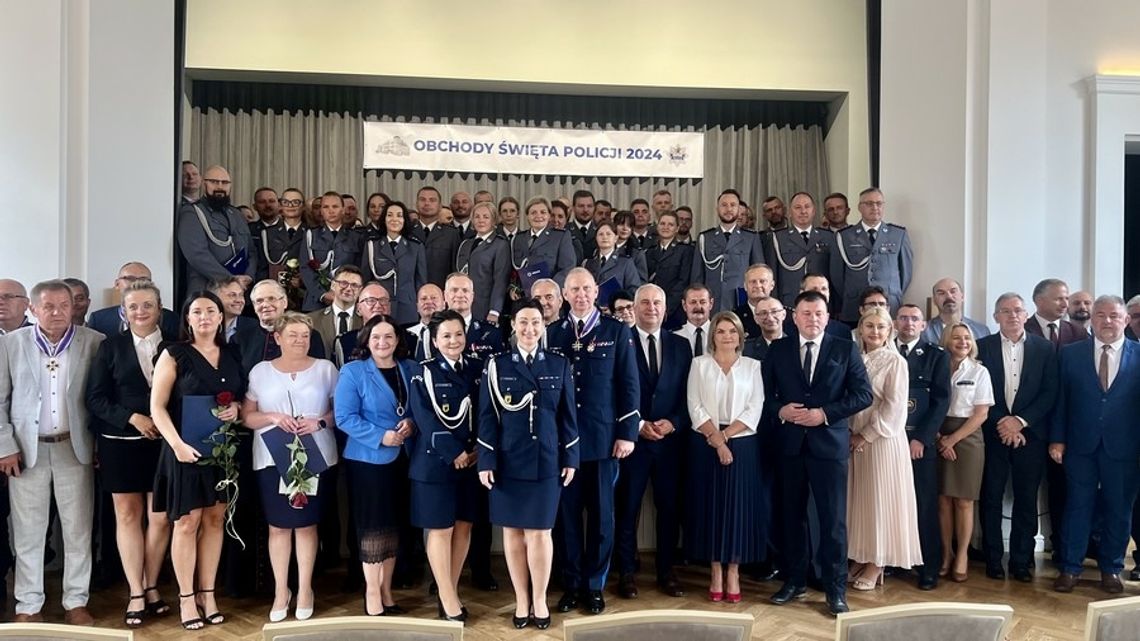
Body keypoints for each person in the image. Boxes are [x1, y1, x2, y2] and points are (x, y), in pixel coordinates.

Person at [0, 280, 104, 625]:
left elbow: (100, 398)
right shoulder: (10, 345)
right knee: (28, 532)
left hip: (74, 450)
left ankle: (76, 601)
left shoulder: (94, 343)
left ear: (74, 307)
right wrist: (5, 446)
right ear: (33, 309)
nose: (58, 312)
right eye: (49, 306)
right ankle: (28, 605)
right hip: (26, 452)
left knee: (77, 531)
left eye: (64, 305)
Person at [763, 290, 872, 616]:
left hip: (829, 446)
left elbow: (863, 395)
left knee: (833, 522)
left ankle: (835, 590)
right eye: (806, 313)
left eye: (818, 314)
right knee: (791, 517)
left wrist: (824, 413)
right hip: (791, 446)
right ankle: (795, 581)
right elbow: (765, 397)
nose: (812, 319)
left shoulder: (845, 348)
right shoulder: (779, 349)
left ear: (828, 317)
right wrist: (782, 411)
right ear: (794, 317)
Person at [477, 299, 577, 629]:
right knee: (513, 533)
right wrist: (486, 459)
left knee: (540, 532)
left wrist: (571, 457)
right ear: (513, 326)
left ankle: (539, 599)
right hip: (507, 460)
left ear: (543, 325)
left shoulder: (559, 364)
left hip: (547, 459)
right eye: (523, 322)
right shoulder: (497, 365)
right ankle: (521, 600)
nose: (529, 328)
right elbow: (488, 417)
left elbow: (568, 418)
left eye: (535, 322)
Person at [547, 268, 640, 616]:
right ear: (564, 294)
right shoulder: (553, 333)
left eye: (587, 288)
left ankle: (594, 585)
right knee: (568, 519)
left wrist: (627, 434)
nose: (581, 294)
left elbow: (629, 385)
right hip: (564, 445)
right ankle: (571, 584)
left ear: (596, 291)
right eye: (574, 289)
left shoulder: (617, 331)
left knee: (602, 518)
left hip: (603, 442)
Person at [149, 290, 244, 630]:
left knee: (216, 520)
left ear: (221, 317)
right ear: (187, 318)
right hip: (183, 451)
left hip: (222, 450)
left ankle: (208, 593)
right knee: (187, 523)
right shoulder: (174, 353)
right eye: (197, 311)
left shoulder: (232, 353)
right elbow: (157, 407)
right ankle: (187, 598)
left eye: (211, 311)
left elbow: (241, 399)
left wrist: (237, 409)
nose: (204, 317)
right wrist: (175, 444)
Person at [84, 281, 173, 627]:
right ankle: (137, 591)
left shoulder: (175, 346)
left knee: (161, 517)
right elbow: (95, 398)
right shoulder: (110, 347)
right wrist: (131, 417)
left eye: (147, 305)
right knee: (127, 516)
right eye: (133, 306)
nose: (140, 312)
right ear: (123, 311)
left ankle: (151, 584)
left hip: (162, 444)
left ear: (159, 309)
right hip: (119, 441)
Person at [241, 312, 338, 622]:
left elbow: (342, 412)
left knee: (307, 524)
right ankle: (281, 591)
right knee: (278, 526)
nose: (300, 340)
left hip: (315, 455)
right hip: (272, 458)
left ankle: (306, 588)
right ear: (278, 338)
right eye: (293, 334)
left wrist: (319, 421)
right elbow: (248, 417)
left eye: (305, 335)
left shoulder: (326, 369)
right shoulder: (260, 372)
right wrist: (272, 418)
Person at [1051, 296, 1140, 595]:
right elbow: (1061, 400)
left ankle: (1111, 569)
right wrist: (1057, 439)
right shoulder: (1070, 354)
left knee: (1119, 510)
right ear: (1093, 319)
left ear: (1125, 320)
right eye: (1100, 315)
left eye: (1114, 315)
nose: (1107, 321)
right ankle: (1070, 568)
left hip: (1125, 449)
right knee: (1077, 507)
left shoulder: (1139, 355)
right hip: (1080, 446)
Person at [334, 314, 415, 616]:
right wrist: (382, 436)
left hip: (404, 459)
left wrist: (411, 423)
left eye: (389, 337)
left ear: (397, 340)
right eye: (377, 337)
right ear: (367, 340)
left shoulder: (410, 368)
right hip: (368, 460)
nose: (383, 343)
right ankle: (371, 593)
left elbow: (419, 408)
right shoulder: (353, 372)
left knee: (394, 527)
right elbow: (344, 418)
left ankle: (387, 591)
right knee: (372, 528)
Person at [614, 285, 691, 599]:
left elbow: (692, 394)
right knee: (627, 509)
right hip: (633, 443)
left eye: (657, 302)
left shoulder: (682, 346)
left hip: (670, 444)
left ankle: (666, 571)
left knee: (669, 509)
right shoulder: (622, 341)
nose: (651, 307)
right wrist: (638, 424)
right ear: (634, 307)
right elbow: (613, 392)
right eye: (644, 302)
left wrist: (674, 422)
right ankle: (626, 573)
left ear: (666, 306)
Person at [686, 311, 767, 602]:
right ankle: (715, 571)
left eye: (732, 331)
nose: (727, 336)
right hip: (707, 442)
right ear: (713, 336)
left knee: (737, 509)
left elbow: (755, 407)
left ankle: (733, 570)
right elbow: (695, 407)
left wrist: (726, 437)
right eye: (721, 331)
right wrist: (717, 440)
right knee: (711, 508)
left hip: (742, 443)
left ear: (740, 336)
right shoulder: (699, 365)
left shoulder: (752, 366)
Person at [976, 293, 1057, 582]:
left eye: (1018, 311)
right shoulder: (981, 347)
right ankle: (993, 559)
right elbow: (978, 393)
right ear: (996, 316)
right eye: (1005, 311)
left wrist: (1020, 422)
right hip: (992, 433)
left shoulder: (1045, 349)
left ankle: (1022, 561)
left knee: (1026, 500)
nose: (1012, 315)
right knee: (991, 498)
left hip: (1030, 436)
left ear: (1026, 315)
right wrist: (1003, 422)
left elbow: (1050, 392)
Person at [407, 310, 480, 621]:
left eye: (458, 334)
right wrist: (454, 453)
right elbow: (425, 418)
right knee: (440, 528)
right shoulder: (421, 373)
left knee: (464, 524)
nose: (454, 340)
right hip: (435, 463)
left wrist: (478, 449)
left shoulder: (478, 369)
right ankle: (449, 600)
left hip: (472, 460)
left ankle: (448, 589)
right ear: (434, 341)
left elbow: (487, 413)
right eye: (446, 336)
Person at [846, 307, 923, 590]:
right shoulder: (858, 358)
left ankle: (877, 562)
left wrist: (865, 436)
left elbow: (894, 408)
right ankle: (862, 554)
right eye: (869, 326)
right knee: (860, 500)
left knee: (880, 500)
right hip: (855, 439)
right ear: (861, 329)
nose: (875, 332)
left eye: (881, 327)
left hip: (881, 441)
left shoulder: (895, 362)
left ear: (889, 330)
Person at [893, 303, 950, 590]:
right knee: (891, 502)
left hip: (918, 443)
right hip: (887, 442)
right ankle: (893, 560)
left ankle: (929, 566)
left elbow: (941, 401)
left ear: (923, 325)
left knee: (924, 504)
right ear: (895, 322)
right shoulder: (883, 351)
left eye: (914, 319)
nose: (908, 323)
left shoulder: (935, 356)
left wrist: (922, 439)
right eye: (903, 318)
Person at [936, 323, 992, 583]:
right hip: (937, 431)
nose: (962, 342)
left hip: (967, 436)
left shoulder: (979, 371)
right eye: (957, 337)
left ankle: (962, 555)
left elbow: (981, 414)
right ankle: (945, 554)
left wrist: (952, 440)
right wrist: (939, 438)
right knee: (943, 499)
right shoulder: (936, 366)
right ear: (947, 340)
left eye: (967, 338)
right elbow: (929, 404)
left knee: (964, 500)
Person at [831, 188, 913, 321]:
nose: (875, 207)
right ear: (859, 207)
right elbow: (837, 275)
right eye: (869, 204)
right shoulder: (844, 236)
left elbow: (906, 273)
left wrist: (892, 293)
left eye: (879, 203)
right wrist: (850, 293)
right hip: (855, 304)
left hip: (889, 305)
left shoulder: (898, 234)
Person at [176, 165, 257, 294]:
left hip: (241, 291)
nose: (220, 186)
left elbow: (251, 252)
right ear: (204, 184)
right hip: (207, 291)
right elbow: (196, 254)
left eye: (225, 183)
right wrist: (228, 280)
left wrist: (249, 276)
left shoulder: (236, 214)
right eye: (214, 182)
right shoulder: (192, 212)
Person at [691, 189, 764, 314]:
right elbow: (697, 277)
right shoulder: (705, 238)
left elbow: (759, 274)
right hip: (711, 304)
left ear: (739, 210)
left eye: (733, 205)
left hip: (740, 302)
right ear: (717, 209)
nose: (728, 209)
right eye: (724, 205)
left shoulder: (750, 238)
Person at [360, 200, 426, 326]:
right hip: (379, 307)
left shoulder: (416, 247)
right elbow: (366, 279)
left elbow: (421, 282)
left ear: (405, 220)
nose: (394, 219)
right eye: (390, 215)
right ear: (384, 219)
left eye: (399, 215)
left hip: (407, 308)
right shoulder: (372, 246)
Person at [764, 192, 835, 307]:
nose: (803, 211)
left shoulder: (828, 237)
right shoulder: (777, 238)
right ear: (790, 212)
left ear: (814, 210)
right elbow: (772, 276)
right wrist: (775, 305)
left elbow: (834, 275)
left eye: (807, 207)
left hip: (821, 303)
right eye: (798, 207)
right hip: (789, 302)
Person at [300, 192, 364, 311]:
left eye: (335, 206)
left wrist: (345, 292)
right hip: (315, 300)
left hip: (347, 298)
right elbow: (305, 268)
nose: (331, 211)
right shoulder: (311, 235)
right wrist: (322, 294)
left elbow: (360, 269)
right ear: (321, 211)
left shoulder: (356, 237)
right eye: (326, 207)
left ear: (343, 210)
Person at [87, 262, 180, 338]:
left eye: (143, 279)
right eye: (129, 278)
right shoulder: (98, 320)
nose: (136, 283)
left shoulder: (170, 318)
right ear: (117, 284)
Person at [455, 201, 510, 323]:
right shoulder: (466, 244)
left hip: (485, 306)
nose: (481, 220)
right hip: (462, 305)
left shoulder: (500, 244)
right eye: (477, 216)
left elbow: (501, 280)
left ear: (494, 221)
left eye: (486, 217)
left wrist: (495, 310)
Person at [510, 197, 577, 287]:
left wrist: (550, 287)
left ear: (549, 216)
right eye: (533, 212)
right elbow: (512, 270)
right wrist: (513, 287)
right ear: (527, 216)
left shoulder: (560, 237)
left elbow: (567, 268)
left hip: (548, 295)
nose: (538, 216)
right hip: (522, 297)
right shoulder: (518, 238)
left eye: (543, 212)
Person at [644, 211, 693, 326]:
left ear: (677, 228)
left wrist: (666, 307)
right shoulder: (649, 252)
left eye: (670, 224)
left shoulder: (685, 251)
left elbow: (683, 282)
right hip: (651, 309)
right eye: (662, 224)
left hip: (674, 311)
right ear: (657, 226)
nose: (666, 227)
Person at [410, 187, 463, 289]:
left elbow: (455, 270)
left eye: (432, 200)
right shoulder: (407, 231)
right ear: (416, 204)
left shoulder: (451, 234)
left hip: (440, 294)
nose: (427, 203)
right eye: (422, 199)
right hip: (411, 295)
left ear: (440, 206)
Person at [252, 187, 308, 284]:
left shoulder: (312, 233)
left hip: (305, 293)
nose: (291, 205)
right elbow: (261, 267)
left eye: (296, 202)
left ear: (303, 206)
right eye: (286, 202)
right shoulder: (267, 233)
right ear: (280, 206)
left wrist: (303, 280)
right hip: (273, 290)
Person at [305, 265, 363, 357]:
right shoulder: (311, 320)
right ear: (333, 285)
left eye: (354, 285)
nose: (348, 288)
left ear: (360, 290)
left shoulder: (366, 320)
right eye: (344, 283)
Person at [922, 278, 990, 344]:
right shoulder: (924, 331)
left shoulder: (982, 331)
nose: (949, 296)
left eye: (953, 291)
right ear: (934, 300)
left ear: (962, 297)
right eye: (941, 293)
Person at [582, 221, 643, 292]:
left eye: (608, 234)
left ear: (616, 238)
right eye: (601, 234)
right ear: (596, 238)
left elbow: (634, 289)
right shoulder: (588, 263)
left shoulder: (625, 263)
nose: (604, 237)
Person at [1026, 278, 1086, 346]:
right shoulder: (1022, 330)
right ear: (1040, 301)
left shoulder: (1078, 332)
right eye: (1059, 299)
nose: (1065, 305)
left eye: (1067, 298)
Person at [733, 264, 776, 338]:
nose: (758, 285)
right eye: (753, 282)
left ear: (772, 285)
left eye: (762, 281)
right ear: (745, 286)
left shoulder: (786, 316)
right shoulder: (734, 317)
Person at [675, 284, 713, 357]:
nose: (698, 306)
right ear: (684, 305)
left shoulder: (720, 334)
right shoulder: (674, 336)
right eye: (693, 302)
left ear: (711, 304)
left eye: (703, 302)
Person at [568, 190, 598, 262]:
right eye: (581, 206)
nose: (585, 210)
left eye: (589, 206)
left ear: (594, 208)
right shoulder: (565, 230)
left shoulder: (600, 230)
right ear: (573, 208)